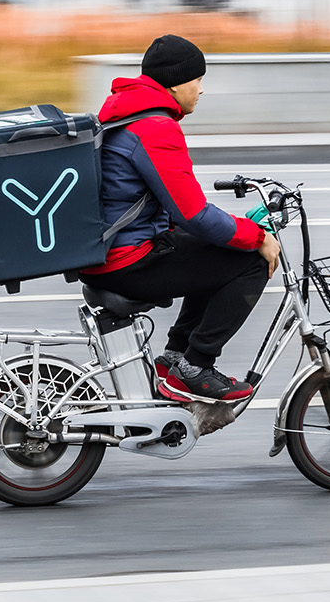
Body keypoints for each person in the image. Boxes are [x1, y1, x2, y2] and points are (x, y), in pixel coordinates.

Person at [80, 34, 281, 402]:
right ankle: (196, 366)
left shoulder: (126, 113)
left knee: (213, 247)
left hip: (108, 254)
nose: (201, 90)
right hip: (128, 262)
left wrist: (233, 229)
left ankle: (174, 358)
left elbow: (172, 210)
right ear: (176, 82)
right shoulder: (155, 127)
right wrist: (257, 236)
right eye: (198, 80)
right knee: (250, 259)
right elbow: (193, 214)